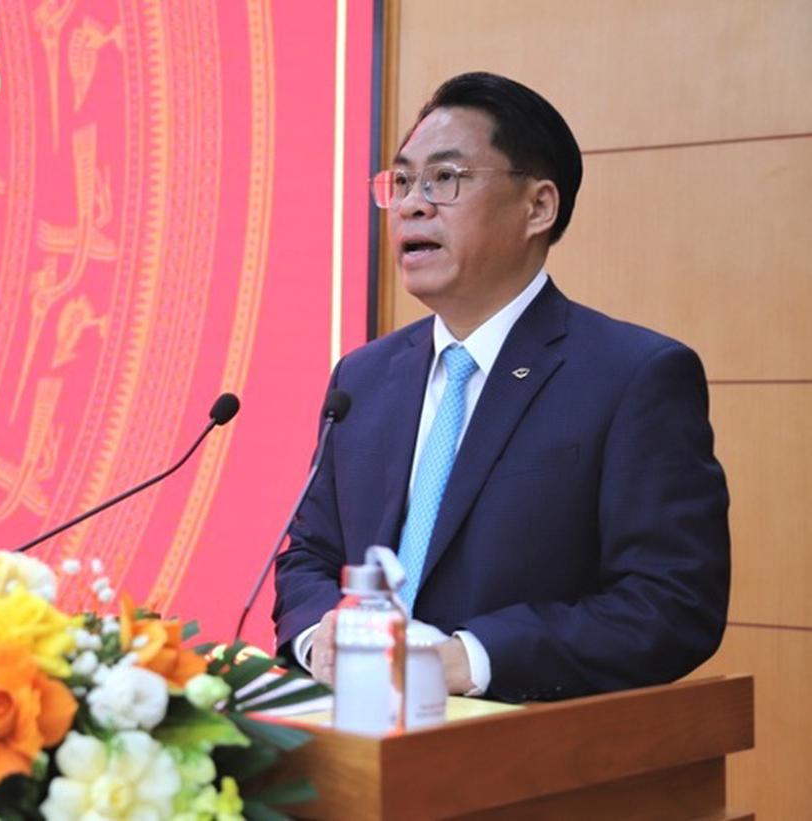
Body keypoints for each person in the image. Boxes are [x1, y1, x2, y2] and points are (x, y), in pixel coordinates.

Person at [271, 72, 730, 702]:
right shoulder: (364, 377)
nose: (411, 205)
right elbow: (308, 557)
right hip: (357, 729)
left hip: (520, 740)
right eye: (401, 182)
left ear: (538, 207)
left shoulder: (633, 376)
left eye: (445, 178)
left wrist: (468, 659)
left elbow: (671, 603)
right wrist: (320, 635)